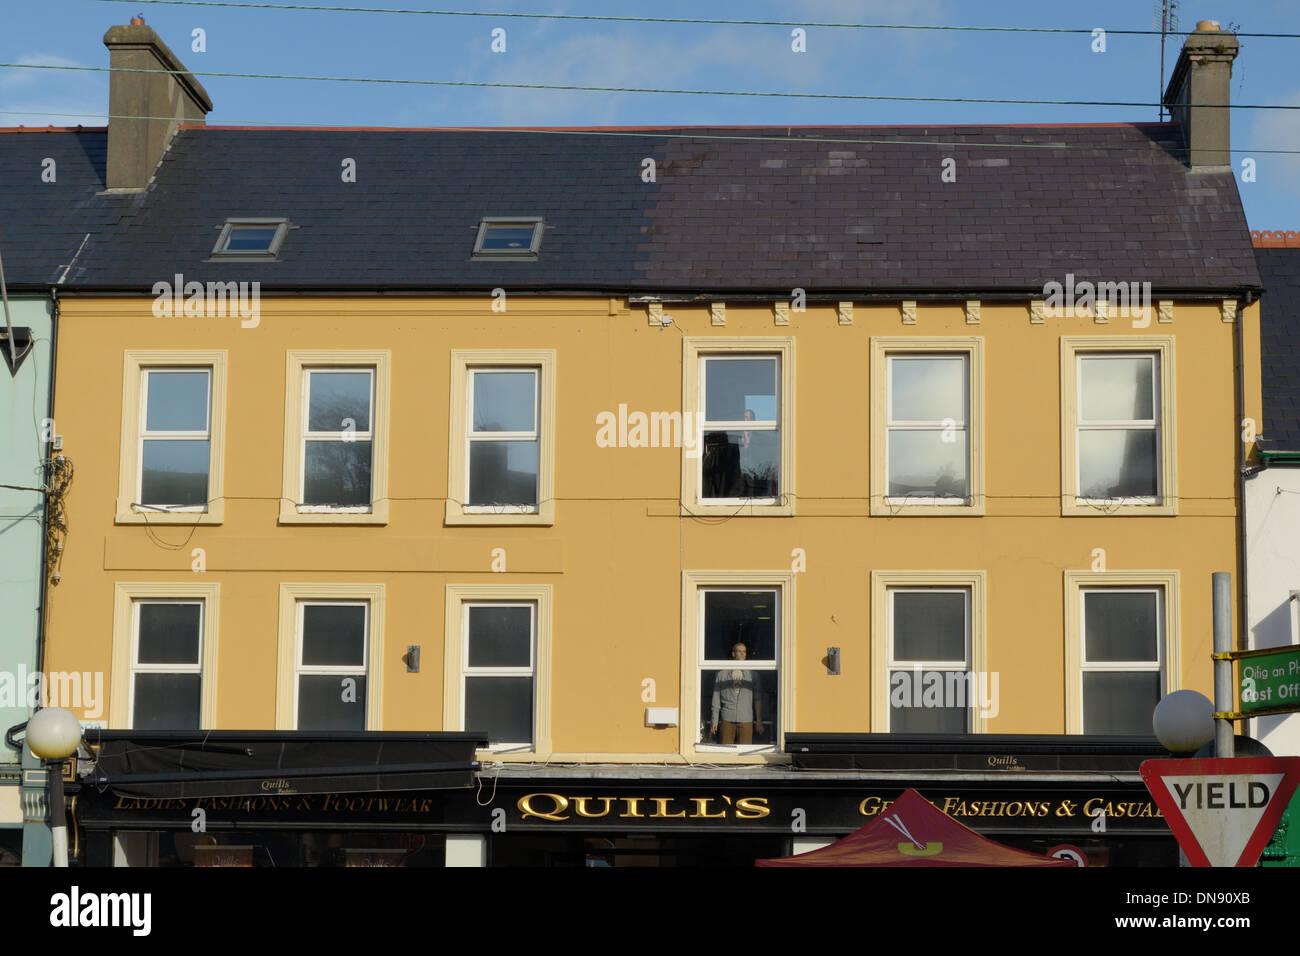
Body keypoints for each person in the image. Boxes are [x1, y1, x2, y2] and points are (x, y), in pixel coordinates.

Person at [710, 641, 762, 744]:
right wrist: (714, 720)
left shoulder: (753, 674)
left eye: (744, 652)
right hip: (727, 718)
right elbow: (716, 699)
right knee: (726, 751)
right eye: (739, 651)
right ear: (733, 654)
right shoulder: (722, 674)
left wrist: (759, 721)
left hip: (746, 719)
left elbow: (758, 699)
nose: (743, 654)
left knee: (745, 753)